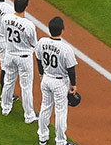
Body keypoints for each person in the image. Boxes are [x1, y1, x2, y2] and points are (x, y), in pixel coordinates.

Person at [36, 16, 79, 145]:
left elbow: (38, 59)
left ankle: (42, 137)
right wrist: (74, 85)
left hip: (46, 79)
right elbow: (71, 69)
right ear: (62, 30)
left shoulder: (42, 42)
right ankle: (60, 141)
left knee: (45, 107)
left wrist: (41, 73)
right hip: (60, 83)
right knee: (60, 111)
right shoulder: (66, 49)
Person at [0, 0, 38, 123]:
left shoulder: (6, 18)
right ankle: (29, 116)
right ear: (26, 7)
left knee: (8, 81)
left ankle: (5, 108)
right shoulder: (29, 25)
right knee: (26, 87)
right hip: (24, 58)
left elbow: (2, 33)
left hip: (9, 55)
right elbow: (34, 44)